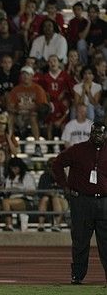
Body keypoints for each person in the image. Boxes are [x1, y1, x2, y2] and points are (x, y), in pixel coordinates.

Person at [52, 122, 107, 285]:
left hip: (104, 201)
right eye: (96, 133)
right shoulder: (78, 150)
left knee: (106, 242)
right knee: (80, 241)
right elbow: (57, 163)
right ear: (90, 133)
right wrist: (65, 185)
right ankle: (77, 275)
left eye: (101, 133)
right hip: (82, 201)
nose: (98, 136)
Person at [37, 157, 67, 232]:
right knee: (44, 199)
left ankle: (57, 224)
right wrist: (49, 192)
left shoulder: (63, 176)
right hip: (47, 199)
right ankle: (41, 224)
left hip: (61, 200)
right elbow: (39, 192)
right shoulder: (44, 177)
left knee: (55, 198)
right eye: (50, 166)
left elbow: (67, 192)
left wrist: (56, 194)